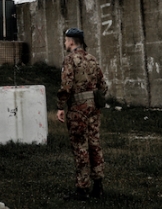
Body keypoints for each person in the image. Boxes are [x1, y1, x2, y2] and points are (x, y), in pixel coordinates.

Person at [57, 27, 108, 201]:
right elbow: (103, 86)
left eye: (65, 40)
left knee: (80, 147)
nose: (65, 43)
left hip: (78, 108)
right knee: (94, 144)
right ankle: (98, 186)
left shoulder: (70, 60)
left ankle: (82, 189)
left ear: (71, 41)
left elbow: (66, 86)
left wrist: (60, 106)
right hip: (93, 108)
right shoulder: (92, 59)